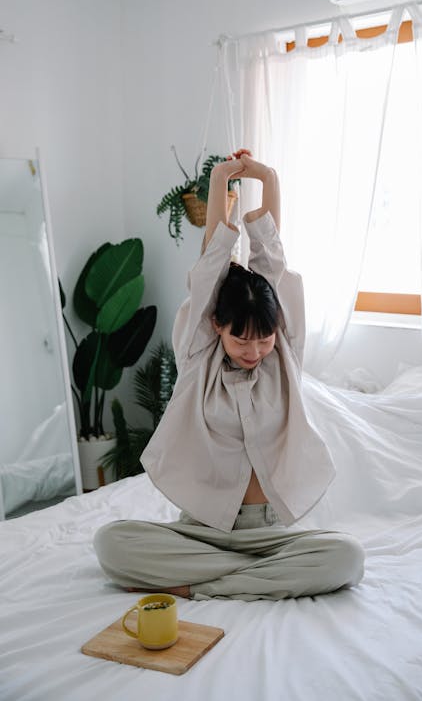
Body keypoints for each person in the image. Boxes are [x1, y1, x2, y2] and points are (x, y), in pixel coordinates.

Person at [94, 150, 364, 601]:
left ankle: (205, 585)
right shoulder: (198, 356)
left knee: (347, 556)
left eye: (264, 339)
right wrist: (220, 178)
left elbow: (271, 261)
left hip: (270, 535)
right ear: (216, 327)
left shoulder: (285, 357)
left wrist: (269, 178)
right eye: (242, 341)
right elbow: (210, 268)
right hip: (202, 531)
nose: (255, 351)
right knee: (111, 544)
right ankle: (250, 580)